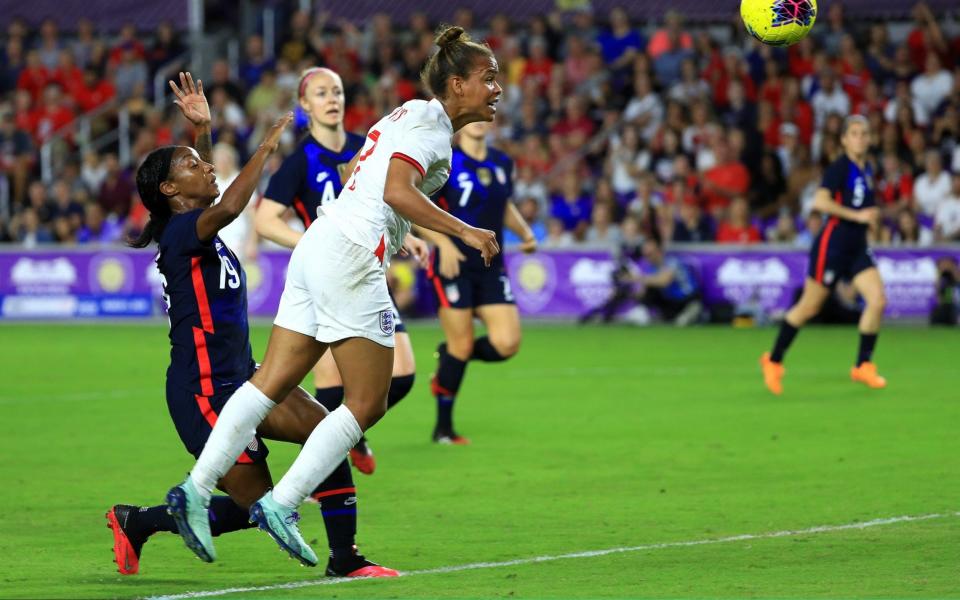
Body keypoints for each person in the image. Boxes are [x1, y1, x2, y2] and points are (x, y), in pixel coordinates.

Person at [165, 26, 502, 568]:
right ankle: (282, 504)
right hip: (349, 255)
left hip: (321, 242)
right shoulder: (430, 127)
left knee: (269, 384)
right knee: (367, 401)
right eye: (489, 78)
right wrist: (463, 231)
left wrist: (400, 230)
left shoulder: (411, 116)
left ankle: (196, 489)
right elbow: (395, 190)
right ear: (457, 83)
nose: (498, 88)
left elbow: (364, 179)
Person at [107, 73, 395, 578]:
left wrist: (202, 130)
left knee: (328, 433)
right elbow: (232, 203)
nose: (207, 167)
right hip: (203, 393)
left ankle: (346, 559)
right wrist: (265, 148)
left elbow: (213, 194)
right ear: (170, 190)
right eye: (193, 166)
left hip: (247, 376)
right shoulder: (180, 233)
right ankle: (139, 522)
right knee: (253, 508)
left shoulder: (196, 223)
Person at [254, 66, 426, 475]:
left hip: (367, 278)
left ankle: (353, 434)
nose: (331, 99)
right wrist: (313, 244)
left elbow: (391, 198)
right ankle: (316, 480)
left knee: (400, 377)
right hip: (327, 282)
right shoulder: (299, 162)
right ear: (304, 105)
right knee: (330, 388)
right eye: (320, 93)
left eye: (337, 91)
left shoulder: (366, 147)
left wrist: (407, 234)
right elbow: (265, 220)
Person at [421, 120, 536, 443]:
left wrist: (524, 232)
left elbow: (504, 204)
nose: (481, 122)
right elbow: (414, 207)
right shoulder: (445, 161)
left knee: (507, 343)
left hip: (490, 266)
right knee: (462, 344)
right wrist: (441, 244)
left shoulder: (501, 161)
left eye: (487, 116)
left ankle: (449, 360)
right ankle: (443, 429)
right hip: (453, 264)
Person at [761, 115, 887, 395]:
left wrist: (870, 219)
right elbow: (820, 201)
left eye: (864, 133)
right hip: (832, 245)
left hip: (857, 246)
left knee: (877, 300)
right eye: (854, 133)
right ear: (844, 139)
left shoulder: (866, 168)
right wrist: (857, 215)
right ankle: (773, 360)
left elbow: (862, 207)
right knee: (809, 307)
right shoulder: (839, 168)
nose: (861, 138)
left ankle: (863, 365)